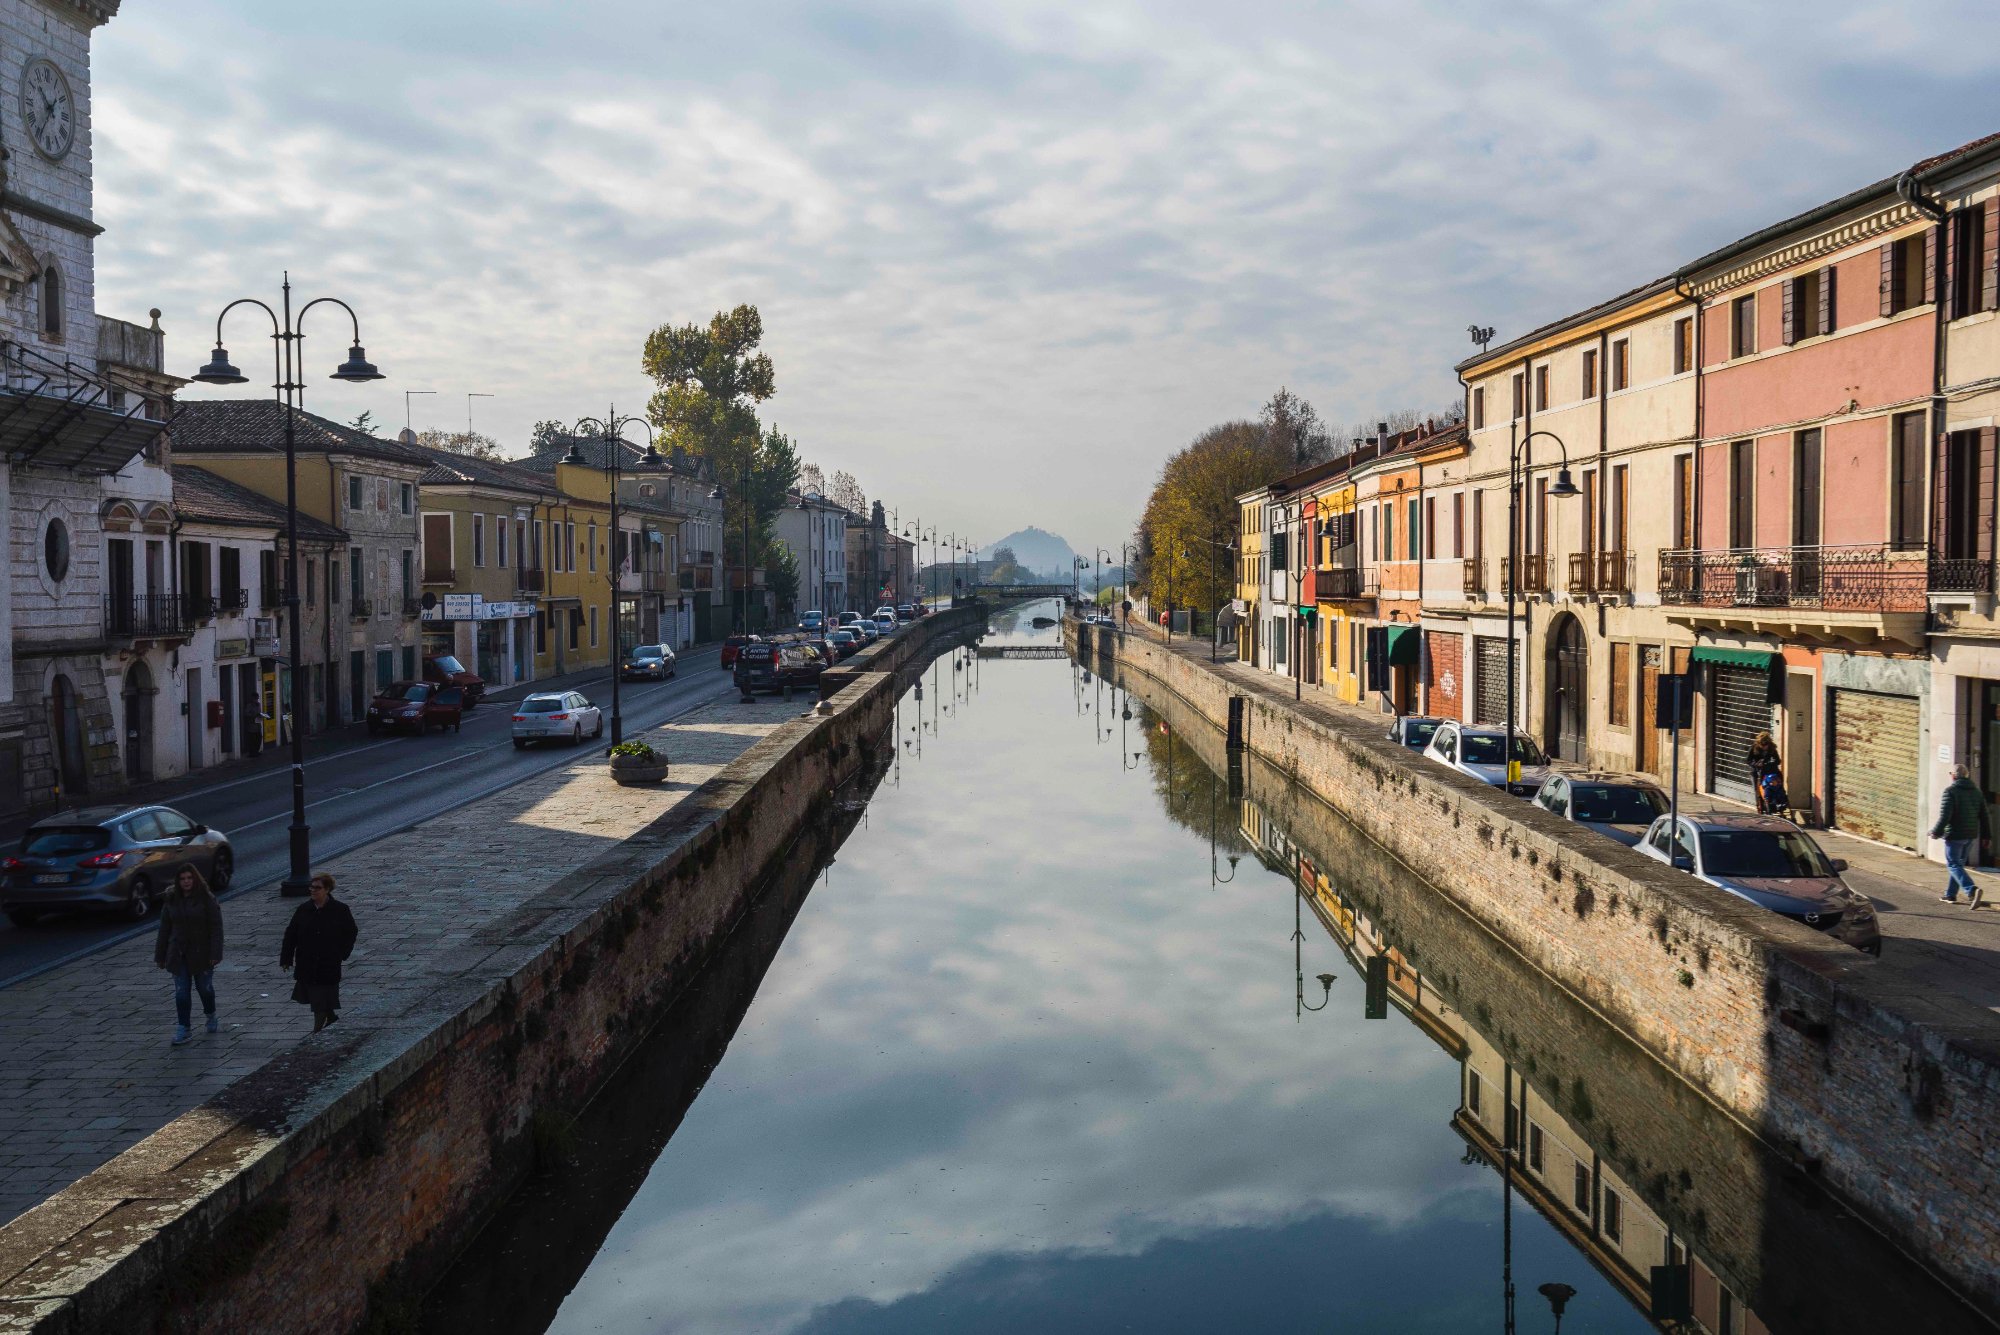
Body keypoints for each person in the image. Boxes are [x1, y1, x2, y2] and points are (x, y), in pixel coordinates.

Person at [280, 871, 359, 1032]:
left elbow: (351, 932)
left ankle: (317, 1031)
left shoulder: (340, 910)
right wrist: (286, 958)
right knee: (317, 998)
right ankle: (331, 1017)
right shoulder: (304, 909)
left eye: (317, 888)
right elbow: (291, 934)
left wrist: (342, 953)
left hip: (328, 963)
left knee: (320, 1000)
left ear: (327, 890)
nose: (313, 890)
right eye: (311, 887)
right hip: (307, 963)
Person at [155, 865, 223, 1046]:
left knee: (205, 989)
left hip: (202, 952)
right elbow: (164, 929)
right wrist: (160, 956)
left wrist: (215, 953)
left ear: (195, 879)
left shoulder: (206, 899)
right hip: (178, 953)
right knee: (181, 992)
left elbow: (216, 927)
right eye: (183, 878)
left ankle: (211, 1014)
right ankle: (184, 1028)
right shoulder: (171, 899)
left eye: (189, 878)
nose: (186, 882)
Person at [1932, 764, 1990, 907]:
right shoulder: (1977, 792)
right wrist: (1987, 836)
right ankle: (1950, 895)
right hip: (1970, 835)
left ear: (1953, 776)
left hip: (1955, 835)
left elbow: (1945, 816)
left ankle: (1971, 890)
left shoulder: (1951, 791)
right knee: (1958, 865)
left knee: (1953, 864)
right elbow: (1984, 816)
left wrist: (1936, 831)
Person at [1747, 731, 1784, 815]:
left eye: (1766, 744)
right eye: (1762, 745)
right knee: (1758, 791)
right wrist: (1756, 764)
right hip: (1757, 772)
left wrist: (1773, 762)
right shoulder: (1754, 748)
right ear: (1759, 743)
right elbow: (1748, 760)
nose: (1764, 747)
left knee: (1775, 786)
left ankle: (1775, 803)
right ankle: (1760, 808)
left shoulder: (1772, 748)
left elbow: (1778, 760)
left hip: (1769, 771)